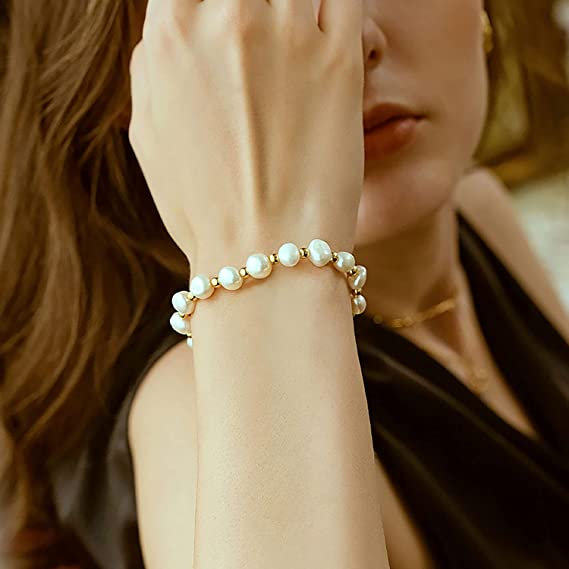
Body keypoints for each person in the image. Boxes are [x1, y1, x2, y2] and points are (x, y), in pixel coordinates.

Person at [1, 1, 568, 568]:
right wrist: (265, 248)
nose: (351, 43)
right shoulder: (192, 414)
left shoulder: (480, 216)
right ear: (133, 90)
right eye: (251, 5)